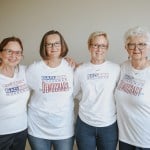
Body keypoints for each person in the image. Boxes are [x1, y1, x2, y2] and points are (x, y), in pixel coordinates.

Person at [26, 30, 74, 150]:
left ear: (62, 45)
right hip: (38, 129)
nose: (53, 47)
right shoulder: (34, 69)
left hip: (64, 129)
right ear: (44, 47)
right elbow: (20, 93)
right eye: (49, 44)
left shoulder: (71, 67)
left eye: (57, 43)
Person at [74, 31, 120, 150]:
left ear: (107, 48)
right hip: (85, 124)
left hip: (108, 125)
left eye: (103, 45)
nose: (99, 49)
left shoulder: (116, 69)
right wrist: (87, 97)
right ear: (89, 46)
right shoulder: (81, 70)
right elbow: (74, 93)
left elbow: (119, 94)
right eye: (95, 45)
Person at [115, 26, 150, 150]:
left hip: (146, 141)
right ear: (126, 48)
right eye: (131, 45)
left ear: (148, 47)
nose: (136, 49)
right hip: (125, 139)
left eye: (141, 44)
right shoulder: (122, 68)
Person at [0, 37, 30, 150]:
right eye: (9, 51)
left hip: (21, 130)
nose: (13, 56)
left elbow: (45, 68)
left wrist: (67, 61)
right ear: (1, 53)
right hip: (1, 134)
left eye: (18, 52)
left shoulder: (24, 71)